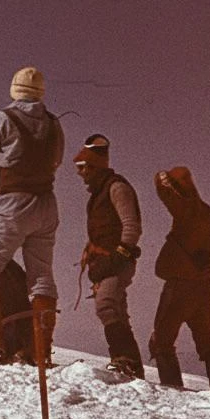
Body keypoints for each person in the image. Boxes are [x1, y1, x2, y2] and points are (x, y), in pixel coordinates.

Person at [0, 66, 64, 364]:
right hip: (46, 204)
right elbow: (56, 160)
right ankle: (41, 352)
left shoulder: (3, 119)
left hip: (13, 204)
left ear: (14, 89)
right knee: (41, 276)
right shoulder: (53, 124)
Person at [149, 166, 210, 390]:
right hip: (203, 286)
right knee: (207, 340)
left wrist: (162, 179)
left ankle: (172, 389)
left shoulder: (186, 209)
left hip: (179, 285)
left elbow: (165, 193)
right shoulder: (206, 210)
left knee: (162, 341)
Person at [74, 134, 145, 378]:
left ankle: (124, 360)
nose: (80, 173)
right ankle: (132, 365)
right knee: (116, 308)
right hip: (106, 259)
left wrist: (119, 255)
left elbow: (131, 225)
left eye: (83, 167)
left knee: (106, 304)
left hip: (117, 260)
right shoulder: (101, 192)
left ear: (94, 166)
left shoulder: (116, 188)